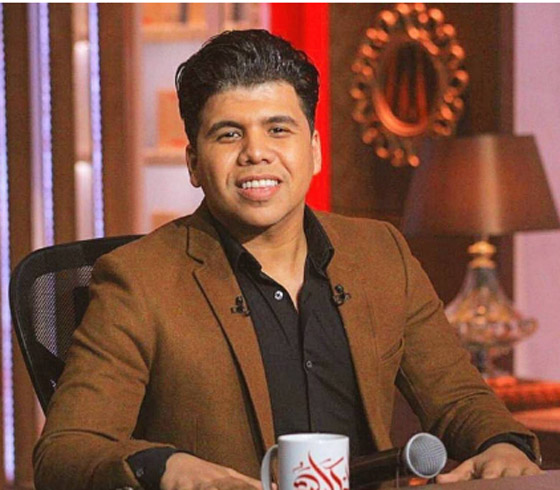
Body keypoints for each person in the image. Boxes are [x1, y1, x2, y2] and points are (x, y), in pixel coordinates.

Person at [34, 30, 542, 490]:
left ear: (314, 150)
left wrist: (502, 445)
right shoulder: (138, 279)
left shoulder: (381, 254)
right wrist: (165, 466)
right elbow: (67, 450)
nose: (256, 153)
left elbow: (460, 401)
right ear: (193, 164)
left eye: (278, 129)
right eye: (228, 134)